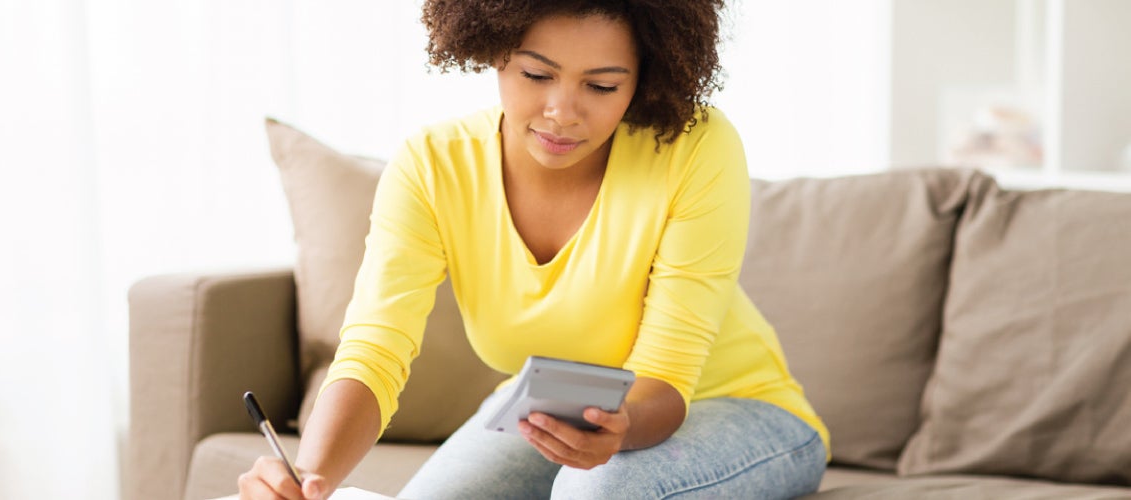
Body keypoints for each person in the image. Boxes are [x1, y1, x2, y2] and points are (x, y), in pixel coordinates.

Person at [240, 1, 829, 498]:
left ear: (644, 76)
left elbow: (666, 378)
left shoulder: (692, 147)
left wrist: (617, 431)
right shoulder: (432, 165)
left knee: (591, 487)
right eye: (535, 75)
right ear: (494, 50)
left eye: (601, 86)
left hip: (743, 411)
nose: (562, 112)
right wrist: (309, 478)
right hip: (547, 415)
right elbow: (375, 349)